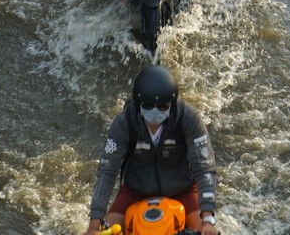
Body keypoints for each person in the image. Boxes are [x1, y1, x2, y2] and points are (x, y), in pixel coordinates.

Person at [84, 65, 217, 235]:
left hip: (183, 190)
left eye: (162, 106)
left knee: (206, 232)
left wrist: (208, 220)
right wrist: (93, 226)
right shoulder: (124, 123)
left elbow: (204, 168)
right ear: (138, 104)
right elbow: (107, 172)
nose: (155, 111)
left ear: (172, 104)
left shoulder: (189, 119)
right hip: (134, 192)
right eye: (148, 105)